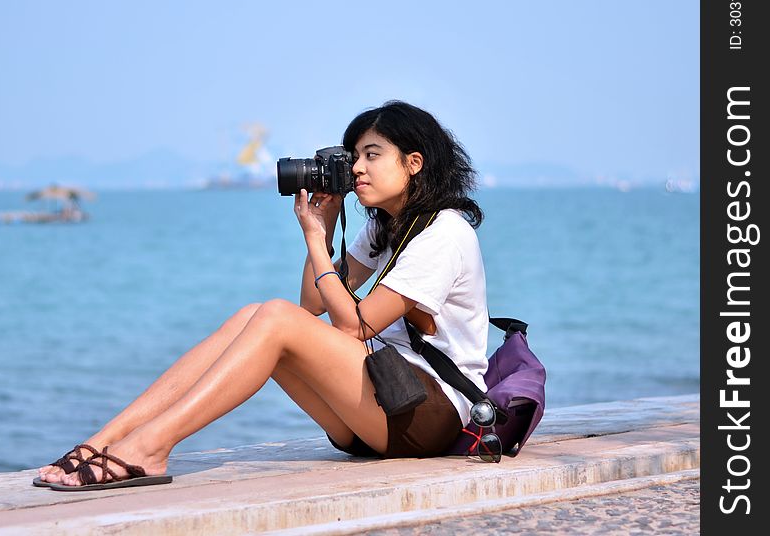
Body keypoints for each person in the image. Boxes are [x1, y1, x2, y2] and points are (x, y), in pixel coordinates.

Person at [36, 100, 489, 490]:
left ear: (414, 162)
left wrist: (313, 241)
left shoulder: (443, 232)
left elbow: (355, 325)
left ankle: (150, 448)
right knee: (255, 315)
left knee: (273, 317)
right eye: (354, 157)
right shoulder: (385, 226)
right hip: (379, 405)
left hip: (427, 414)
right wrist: (325, 232)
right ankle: (104, 441)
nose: (356, 169)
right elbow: (311, 304)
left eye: (372, 155)